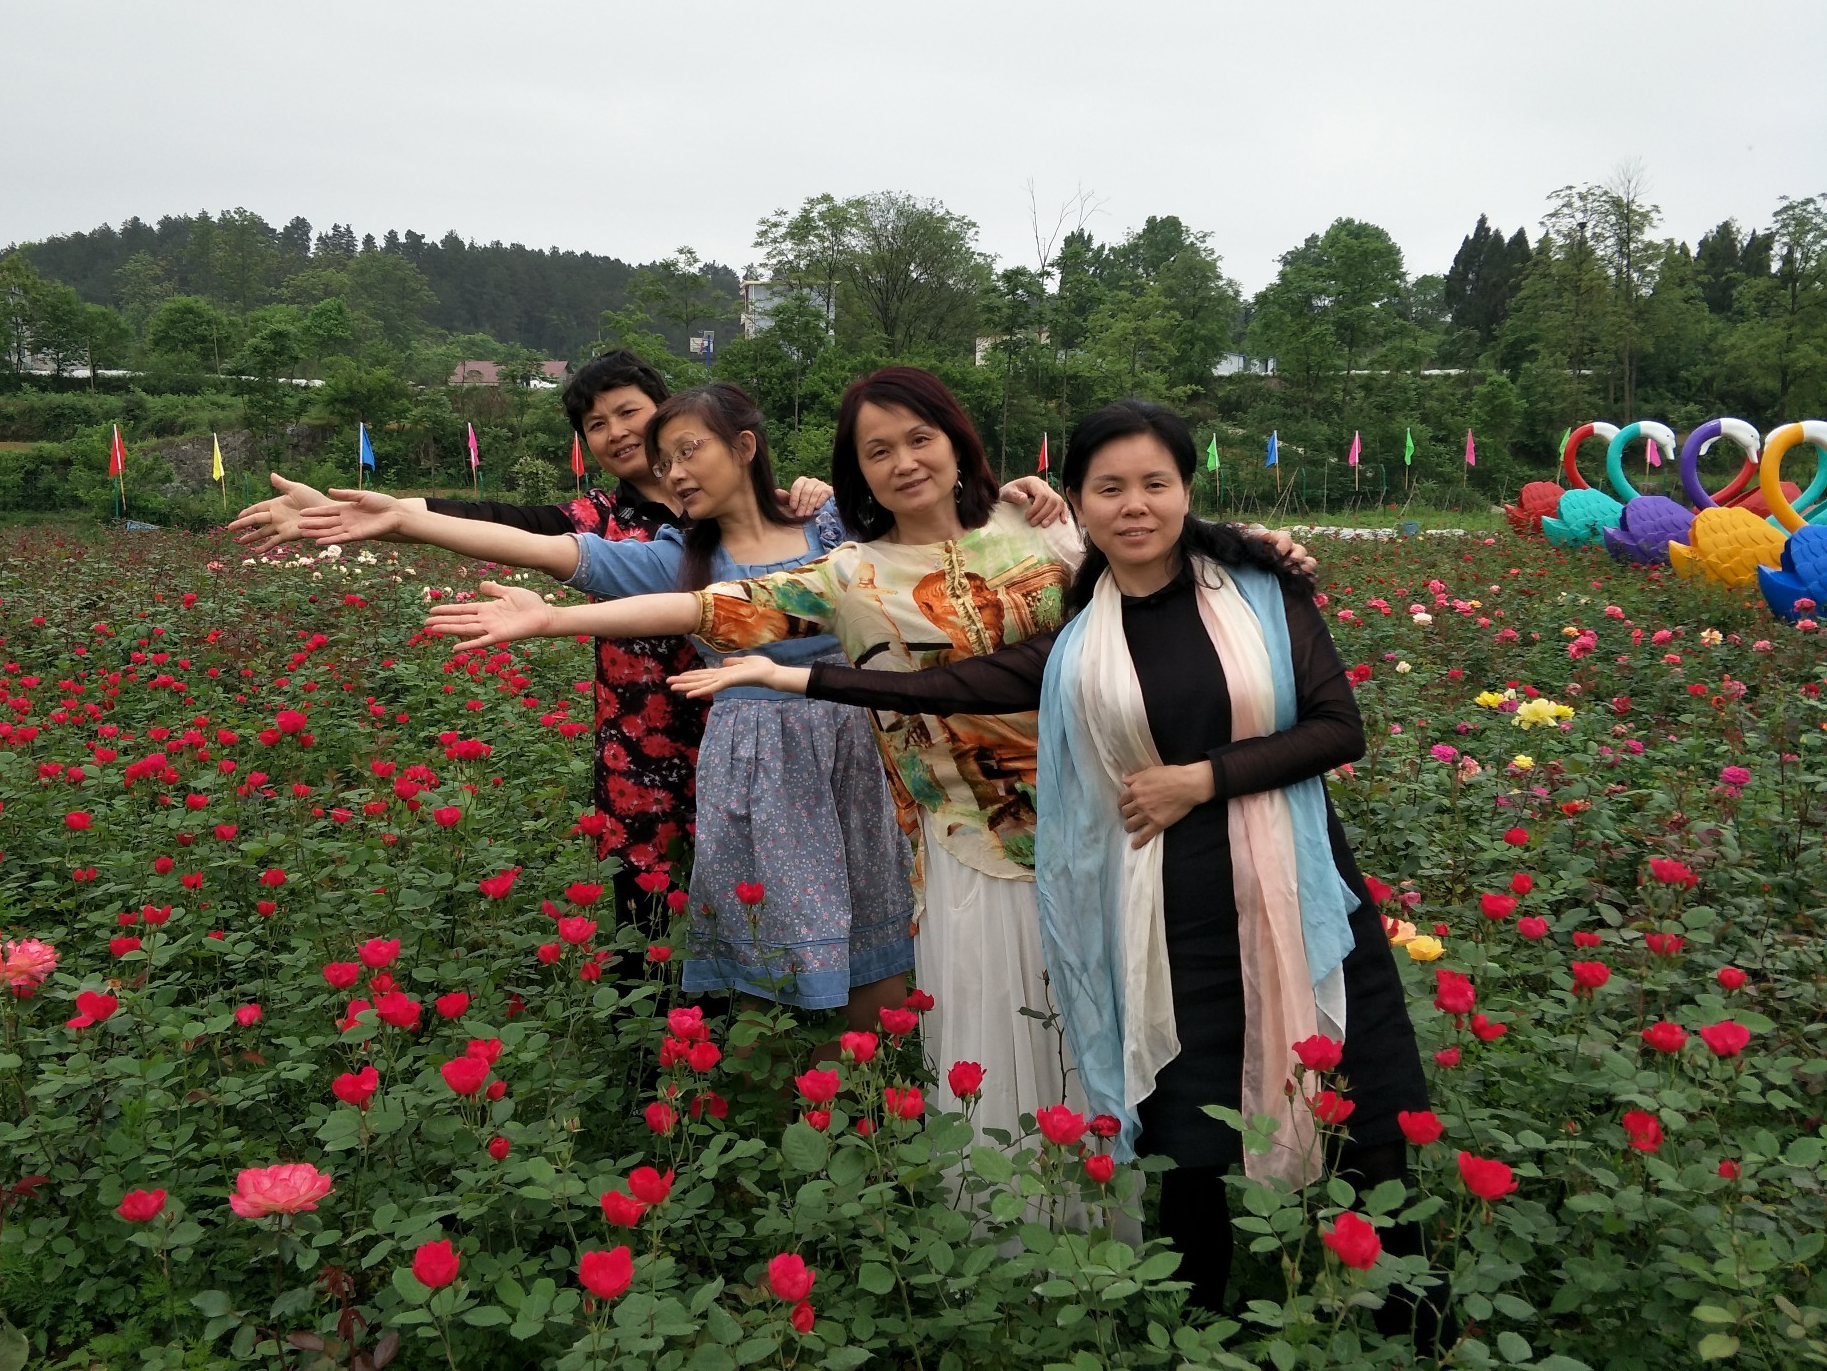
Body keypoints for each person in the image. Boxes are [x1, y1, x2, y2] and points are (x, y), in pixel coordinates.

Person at [674, 400, 1431, 1333]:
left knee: (1364, 1099)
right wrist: (787, 674)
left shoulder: (1262, 589)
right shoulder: (1079, 634)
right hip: (1165, 908)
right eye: (1108, 488)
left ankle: (1404, 1319)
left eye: (1156, 483)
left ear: (1187, 490)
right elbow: (946, 686)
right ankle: (1194, 1330)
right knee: (1191, 1131)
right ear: (1074, 504)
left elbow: (1335, 727)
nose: (1135, 506)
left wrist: (1200, 780)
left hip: (1301, 893)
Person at [418, 370, 1315, 1157]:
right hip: (972, 846)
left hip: (1113, 821)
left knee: (1128, 1028)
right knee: (1005, 1045)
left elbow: (1151, 537)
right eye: (877, 450)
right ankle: (1014, 1236)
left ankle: (1138, 1206)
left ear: (955, 442)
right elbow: (703, 605)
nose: (903, 460)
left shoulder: (1041, 525)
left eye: (918, 437)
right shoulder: (849, 574)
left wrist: (1259, 554)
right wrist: (550, 619)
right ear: (859, 473)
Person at [295, 382, 918, 1033]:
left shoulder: (831, 524)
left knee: (873, 952)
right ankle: (793, 1110)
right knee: (769, 967)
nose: (673, 474)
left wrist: (1033, 501)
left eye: (687, 451)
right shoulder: (683, 560)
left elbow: (945, 526)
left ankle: (871, 1107)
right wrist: (405, 520)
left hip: (854, 750)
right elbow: (552, 547)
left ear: (743, 447)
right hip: (758, 768)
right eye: (664, 464)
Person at [228, 352, 827, 938]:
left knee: (767, 892)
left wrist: (813, 497)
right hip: (644, 737)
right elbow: (490, 520)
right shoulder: (597, 520)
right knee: (643, 911)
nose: (616, 433)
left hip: (760, 730)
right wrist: (348, 510)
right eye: (596, 425)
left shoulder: (769, 512)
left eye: (628, 412)